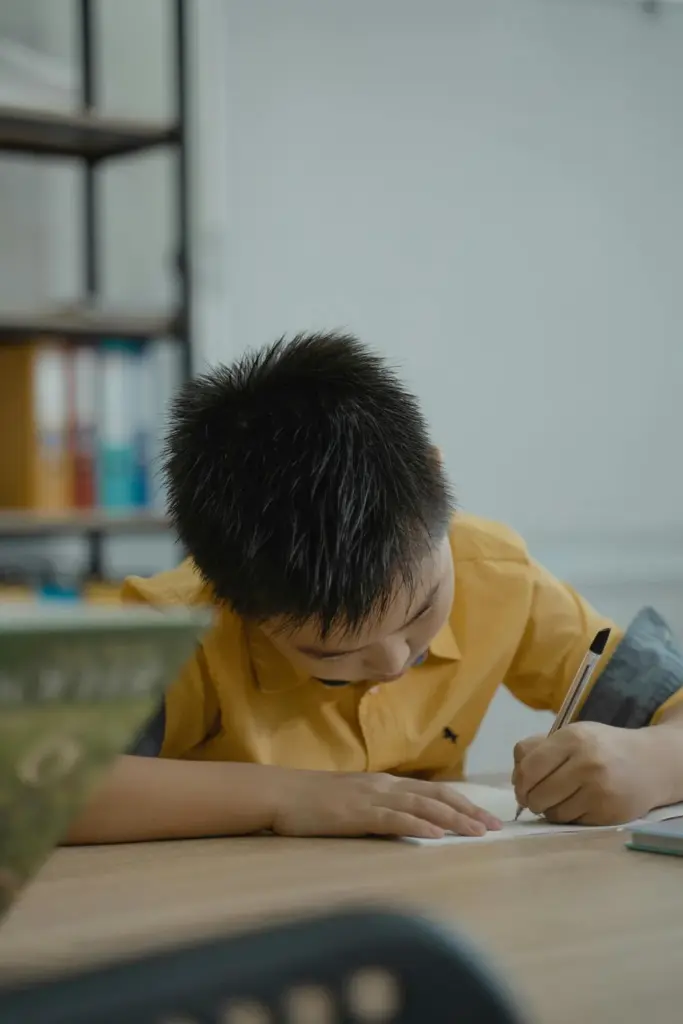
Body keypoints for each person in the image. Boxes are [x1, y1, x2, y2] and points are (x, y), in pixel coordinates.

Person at [68, 333, 683, 844]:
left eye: (421, 611)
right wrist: (286, 797)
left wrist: (651, 762)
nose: (393, 661)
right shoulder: (183, 625)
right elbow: (37, 792)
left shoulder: (493, 574)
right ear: (228, 598)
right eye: (330, 653)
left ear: (435, 478)